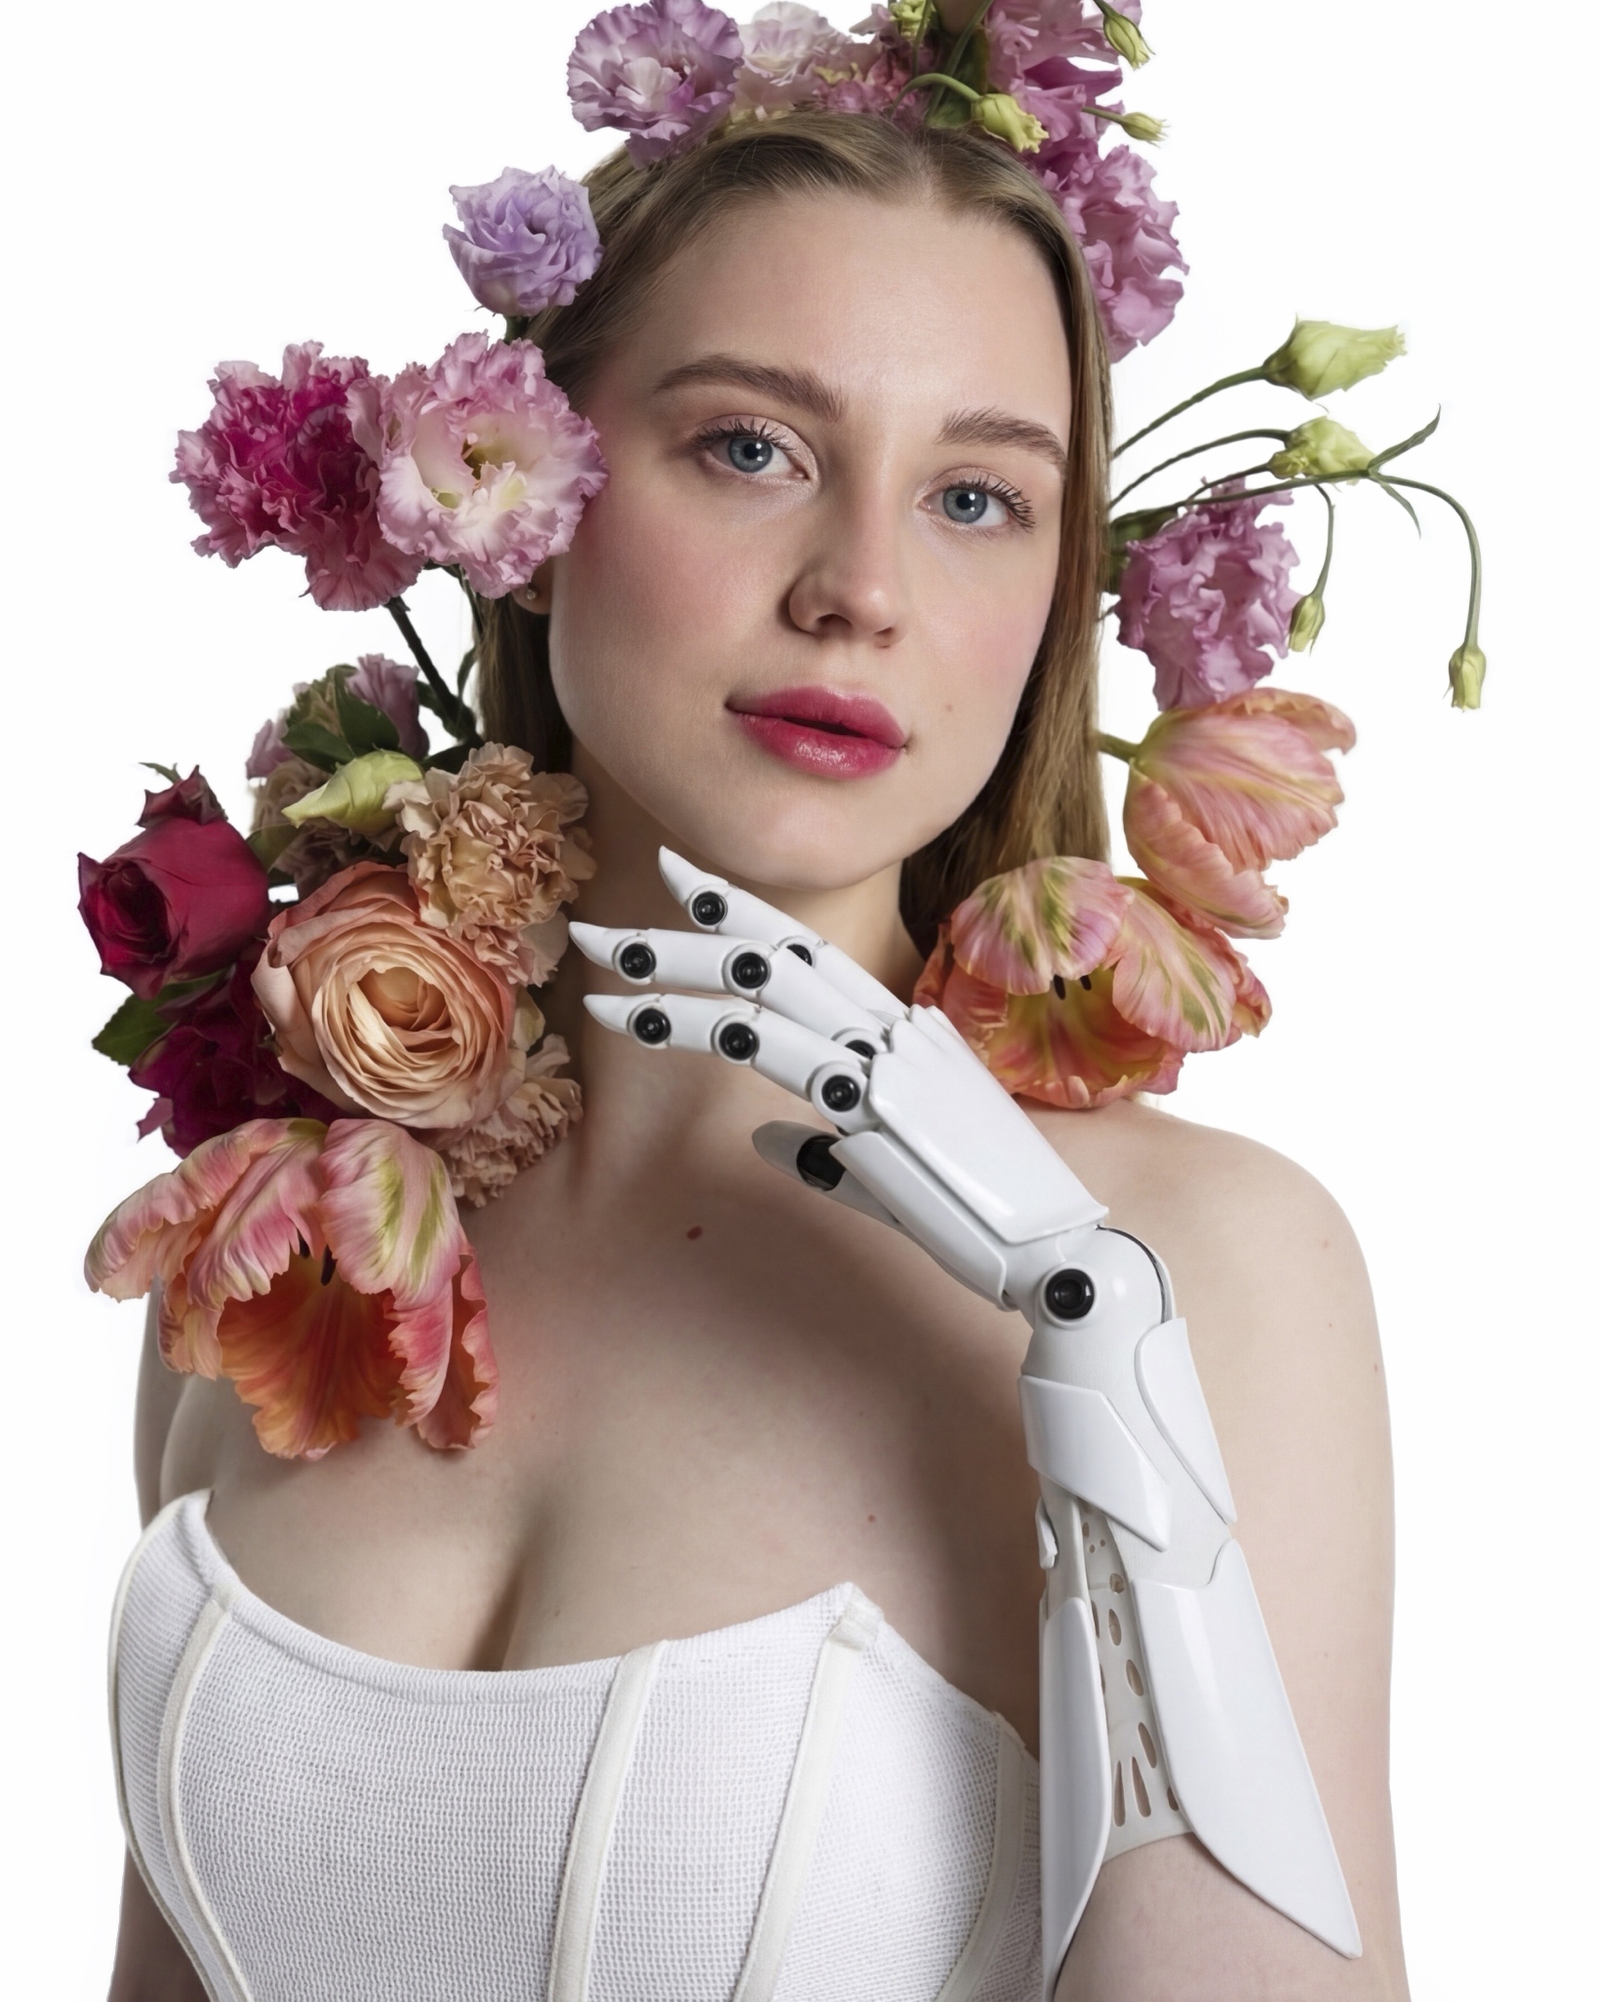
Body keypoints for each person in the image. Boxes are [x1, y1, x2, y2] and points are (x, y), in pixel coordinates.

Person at [104, 111, 1409, 1999]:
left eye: (978, 497)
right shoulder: (289, 1249)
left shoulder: (1210, 1270)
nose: (860, 586)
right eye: (751, 448)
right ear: (529, 513)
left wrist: (1095, 1338)